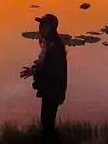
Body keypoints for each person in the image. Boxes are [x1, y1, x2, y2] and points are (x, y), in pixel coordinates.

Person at [19, 13, 67, 142]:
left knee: (47, 123)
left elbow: (51, 70)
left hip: (53, 91)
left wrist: (35, 71)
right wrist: (33, 70)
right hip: (51, 90)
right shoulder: (50, 43)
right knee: (46, 123)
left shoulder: (54, 46)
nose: (40, 28)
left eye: (44, 25)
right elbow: (45, 66)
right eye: (40, 25)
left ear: (52, 28)